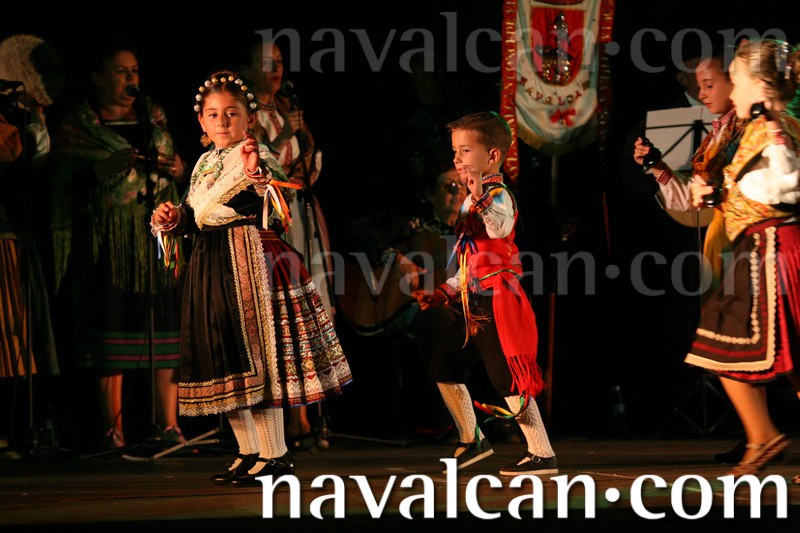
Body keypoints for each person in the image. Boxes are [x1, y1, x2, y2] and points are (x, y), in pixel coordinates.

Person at [150, 69, 351, 486]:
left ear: (250, 119)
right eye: (213, 114)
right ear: (201, 121)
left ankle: (275, 453)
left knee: (257, 359)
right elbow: (198, 215)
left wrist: (260, 179)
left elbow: (274, 202)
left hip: (251, 263)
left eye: (232, 113)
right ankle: (249, 451)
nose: (222, 121)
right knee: (224, 358)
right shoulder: (205, 162)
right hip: (211, 265)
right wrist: (172, 218)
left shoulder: (258, 156)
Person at [49, 40, 188, 450]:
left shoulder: (153, 117)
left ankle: (168, 425)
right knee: (111, 326)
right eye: (120, 71)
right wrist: (99, 170)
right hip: (108, 244)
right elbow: (58, 183)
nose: (131, 78)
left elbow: (175, 166)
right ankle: (114, 429)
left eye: (135, 71)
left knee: (164, 327)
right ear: (97, 77)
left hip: (156, 239)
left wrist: (179, 169)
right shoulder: (80, 124)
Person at [412, 111, 557, 476]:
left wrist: (479, 197)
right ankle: (472, 438)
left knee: (506, 377)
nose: (457, 159)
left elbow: (499, 229)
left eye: (465, 151)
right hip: (471, 300)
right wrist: (444, 292)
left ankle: (542, 452)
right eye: (455, 151)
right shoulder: (471, 199)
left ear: (492, 156)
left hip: (496, 299)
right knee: (443, 366)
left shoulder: (498, 195)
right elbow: (470, 260)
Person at [683, 39, 800, 477]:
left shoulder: (778, 127)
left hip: (774, 251)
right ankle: (762, 436)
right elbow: (760, 190)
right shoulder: (757, 128)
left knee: (723, 345)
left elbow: (788, 186)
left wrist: (774, 130)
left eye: (736, 79)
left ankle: (763, 437)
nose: (732, 90)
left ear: (761, 84)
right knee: (739, 348)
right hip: (758, 249)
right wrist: (718, 195)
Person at [246, 39, 334, 448]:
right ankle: (282, 417)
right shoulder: (247, 113)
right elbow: (263, 161)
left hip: (299, 208)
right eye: (267, 62)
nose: (275, 69)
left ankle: (308, 411)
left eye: (279, 61)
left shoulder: (287, 107)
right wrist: (286, 136)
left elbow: (310, 158)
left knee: (308, 307)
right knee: (280, 312)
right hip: (269, 215)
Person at [0, 33, 63, 457]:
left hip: (14, 234)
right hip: (3, 236)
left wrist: (33, 115)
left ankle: (20, 427)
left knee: (17, 334)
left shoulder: (15, 117)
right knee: (6, 333)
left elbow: (35, 161)